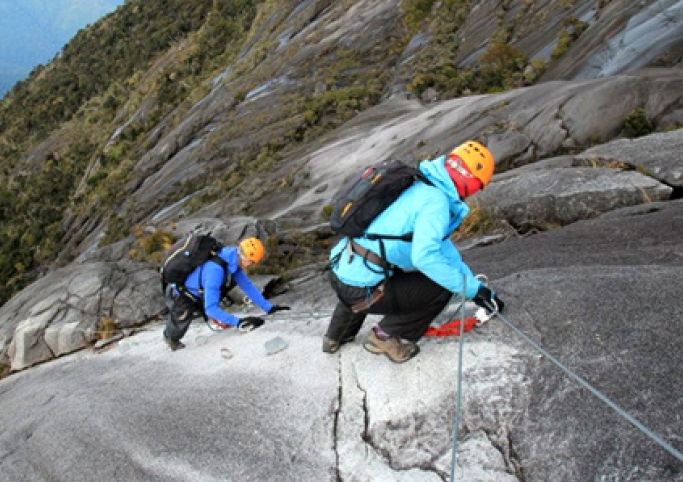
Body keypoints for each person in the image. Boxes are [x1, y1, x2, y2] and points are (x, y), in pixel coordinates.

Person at [323, 140, 504, 363]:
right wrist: (468, 288)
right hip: (361, 292)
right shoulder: (436, 201)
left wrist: (477, 289)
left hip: (341, 270)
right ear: (473, 183)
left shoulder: (418, 184)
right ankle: (386, 336)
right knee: (440, 286)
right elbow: (426, 257)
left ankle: (334, 338)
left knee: (371, 273)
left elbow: (442, 249)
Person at [163, 237, 290, 350]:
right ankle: (171, 339)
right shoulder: (215, 270)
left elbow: (247, 286)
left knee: (214, 296)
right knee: (180, 320)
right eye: (251, 263)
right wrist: (239, 322)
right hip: (181, 295)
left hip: (200, 291)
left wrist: (269, 308)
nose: (250, 265)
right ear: (246, 259)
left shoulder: (231, 258)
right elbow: (211, 309)